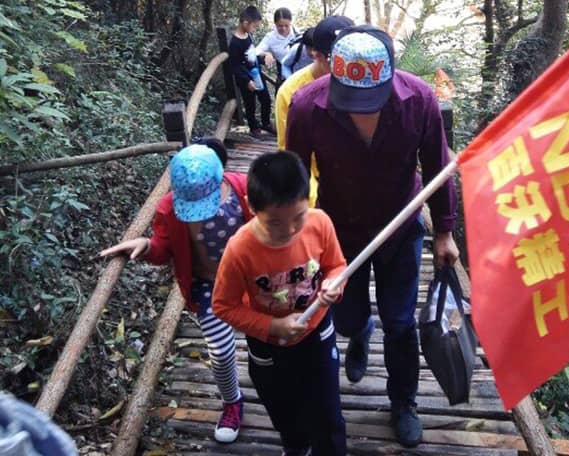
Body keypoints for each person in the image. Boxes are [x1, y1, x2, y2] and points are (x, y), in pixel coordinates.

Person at [286, 25, 459, 448]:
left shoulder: (419, 100)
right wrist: (295, 233)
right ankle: (360, 330)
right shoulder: (307, 105)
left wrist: (444, 232)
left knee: (400, 322)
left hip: (400, 225)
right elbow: (294, 174)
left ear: (390, 77)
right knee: (346, 318)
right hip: (340, 230)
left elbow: (438, 167)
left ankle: (404, 402)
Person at [100, 142, 249, 443]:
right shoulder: (170, 208)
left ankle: (283, 397)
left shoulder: (243, 188)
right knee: (220, 352)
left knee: (268, 346)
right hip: (209, 285)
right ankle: (232, 401)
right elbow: (164, 247)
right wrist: (146, 246)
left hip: (252, 279)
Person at [212, 151, 347, 456]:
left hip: (316, 334)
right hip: (268, 347)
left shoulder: (320, 223)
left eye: (298, 217)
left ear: (308, 200)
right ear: (251, 206)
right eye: (274, 222)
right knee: (283, 410)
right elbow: (223, 305)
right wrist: (272, 326)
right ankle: (295, 445)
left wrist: (334, 284)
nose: (289, 230)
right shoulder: (239, 250)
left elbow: (337, 266)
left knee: (327, 411)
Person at [275, 15, 354, 207]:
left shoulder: (360, 81)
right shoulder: (291, 92)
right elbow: (290, 156)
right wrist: (313, 202)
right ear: (315, 54)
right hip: (317, 185)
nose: (344, 68)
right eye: (336, 61)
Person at [229, 6, 273, 137]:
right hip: (246, 79)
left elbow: (251, 55)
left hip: (256, 73)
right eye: (254, 26)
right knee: (250, 104)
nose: (255, 29)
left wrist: (263, 57)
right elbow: (235, 65)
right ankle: (253, 127)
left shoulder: (248, 35)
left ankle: (266, 123)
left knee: (266, 99)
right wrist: (246, 81)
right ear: (245, 23)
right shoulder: (235, 43)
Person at [256, 7, 296, 91]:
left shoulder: (298, 33)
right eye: (280, 26)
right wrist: (266, 53)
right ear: (275, 24)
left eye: (286, 25)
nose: (284, 29)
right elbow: (256, 51)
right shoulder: (271, 37)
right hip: (284, 77)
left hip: (300, 73)